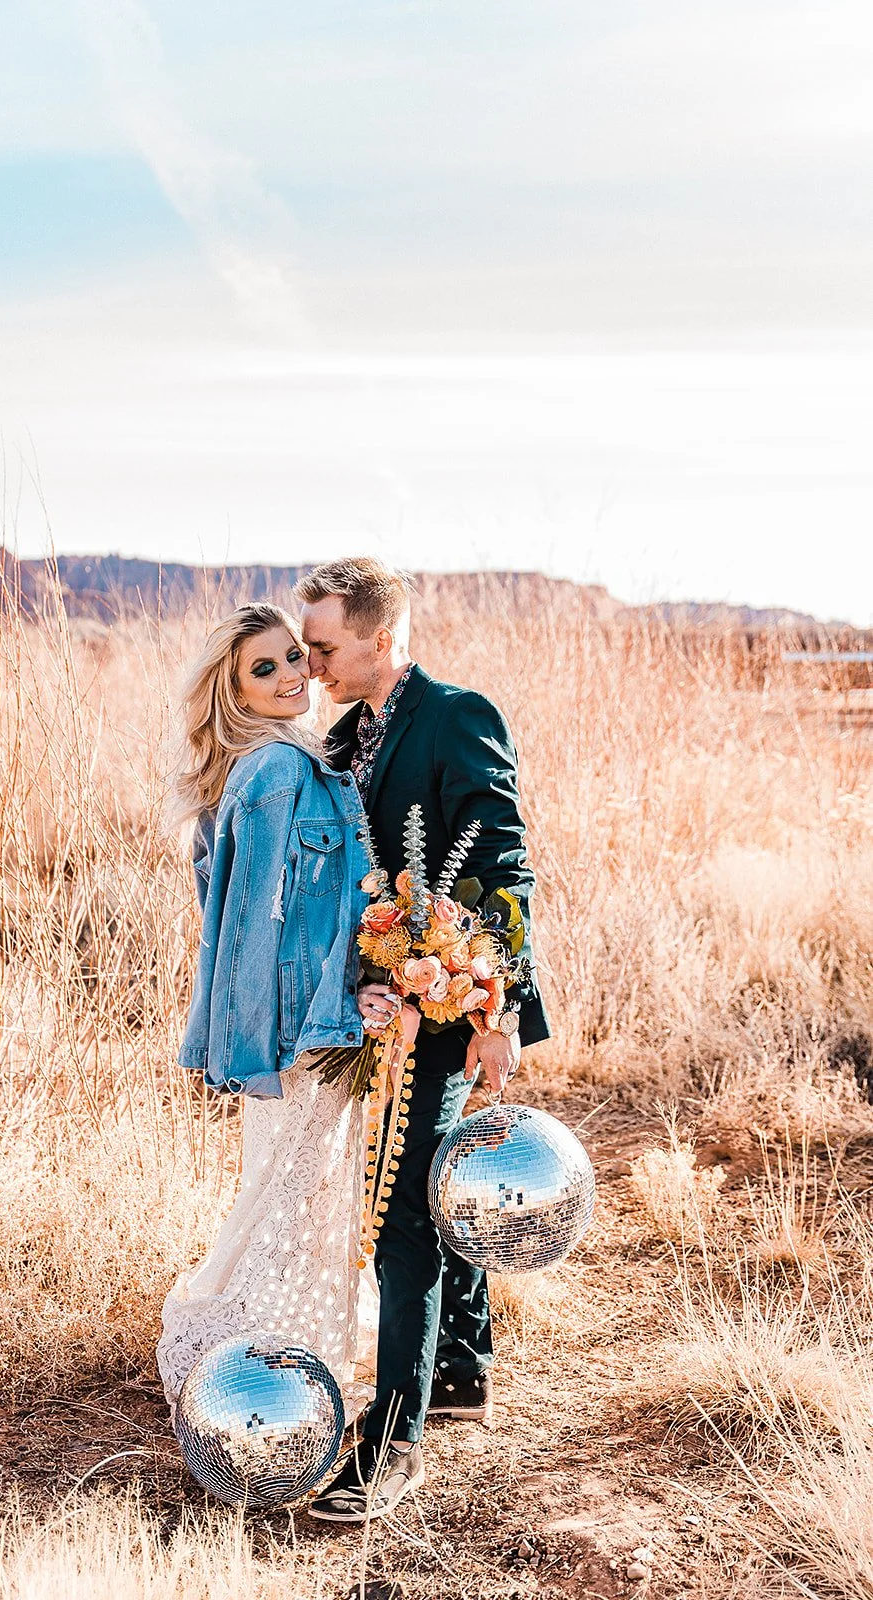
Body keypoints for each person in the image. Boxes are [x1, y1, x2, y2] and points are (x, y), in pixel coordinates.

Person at [298, 558, 550, 1522]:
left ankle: (392, 1441)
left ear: (380, 637)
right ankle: (461, 1370)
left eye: (323, 644)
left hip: (448, 1001)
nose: (311, 660)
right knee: (428, 1184)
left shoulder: (456, 716)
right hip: (371, 1005)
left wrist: (499, 1011)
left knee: (401, 1206)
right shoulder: (342, 736)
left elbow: (504, 867)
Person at [155, 603, 374, 1414]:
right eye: (264, 669)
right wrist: (314, 1018)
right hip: (300, 1026)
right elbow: (255, 925)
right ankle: (243, 1354)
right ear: (234, 690)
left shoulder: (278, 761)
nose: (290, 677)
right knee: (292, 1187)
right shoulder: (276, 772)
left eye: (293, 658)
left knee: (302, 1184)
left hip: (299, 1019)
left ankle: (296, 1344)